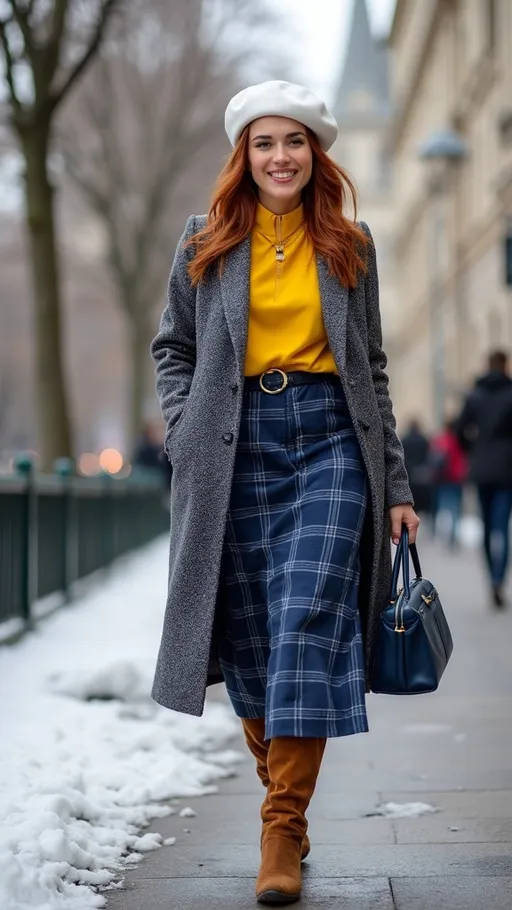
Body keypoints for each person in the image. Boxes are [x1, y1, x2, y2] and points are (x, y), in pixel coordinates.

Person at [150, 80, 419, 905]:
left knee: (305, 619)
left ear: (316, 154)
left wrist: (398, 483)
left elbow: (370, 368)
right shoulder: (206, 242)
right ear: (245, 157)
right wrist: (184, 427)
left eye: (295, 143)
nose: (281, 157)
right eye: (265, 144)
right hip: (233, 443)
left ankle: (280, 828)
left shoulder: (350, 243)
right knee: (253, 641)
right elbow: (174, 349)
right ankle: (289, 805)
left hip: (333, 440)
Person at [455, 350, 512, 608]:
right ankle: (499, 578)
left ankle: (492, 576)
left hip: (481, 467)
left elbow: (459, 430)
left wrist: (473, 450)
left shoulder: (475, 396)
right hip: (506, 469)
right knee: (502, 526)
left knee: (488, 528)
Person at [430, 419, 467, 547]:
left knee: (443, 507)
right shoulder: (459, 441)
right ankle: (453, 536)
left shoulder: (440, 440)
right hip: (457, 479)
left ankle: (444, 534)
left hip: (443, 479)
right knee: (455, 508)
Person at [401, 419, 432, 518]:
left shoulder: (405, 440)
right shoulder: (424, 440)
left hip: (409, 476)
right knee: (423, 506)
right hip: (422, 476)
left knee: (412, 504)